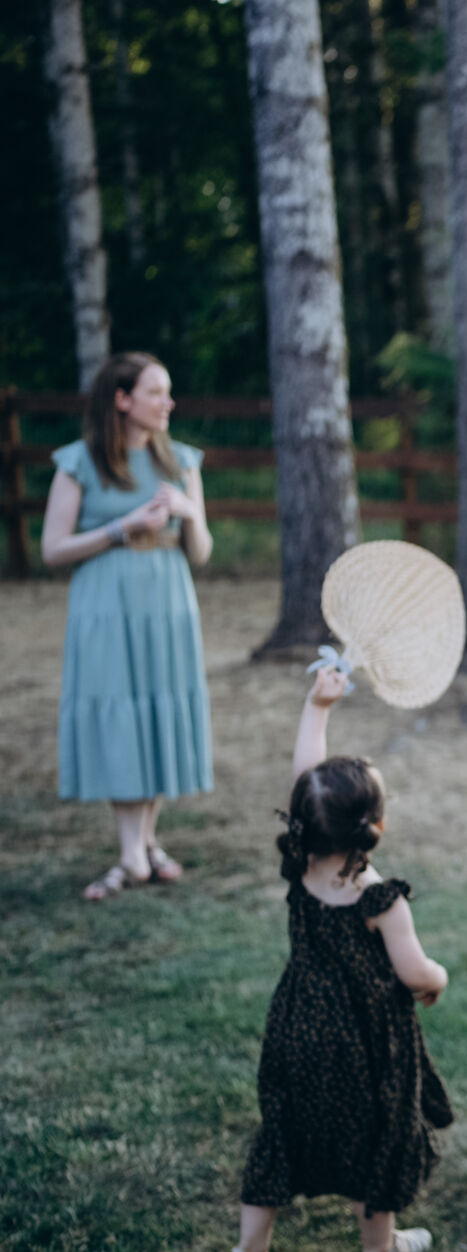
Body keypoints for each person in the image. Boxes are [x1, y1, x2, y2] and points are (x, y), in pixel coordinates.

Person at [215, 667, 453, 1252]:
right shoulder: (380, 899)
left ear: (306, 820)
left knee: (282, 1133)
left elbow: (309, 781)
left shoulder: (301, 863)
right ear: (376, 827)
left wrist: (317, 706)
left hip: (296, 1026)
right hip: (367, 1042)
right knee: (374, 1138)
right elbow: (414, 973)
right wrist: (438, 979)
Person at [40, 352, 214, 900]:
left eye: (168, 392)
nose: (169, 403)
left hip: (168, 600)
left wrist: (189, 513)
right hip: (105, 602)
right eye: (155, 392)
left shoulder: (181, 461)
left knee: (158, 708)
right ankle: (131, 853)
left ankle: (145, 843)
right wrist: (122, 527)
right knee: (120, 710)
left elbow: (201, 553)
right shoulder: (80, 462)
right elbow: (52, 549)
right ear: (122, 399)